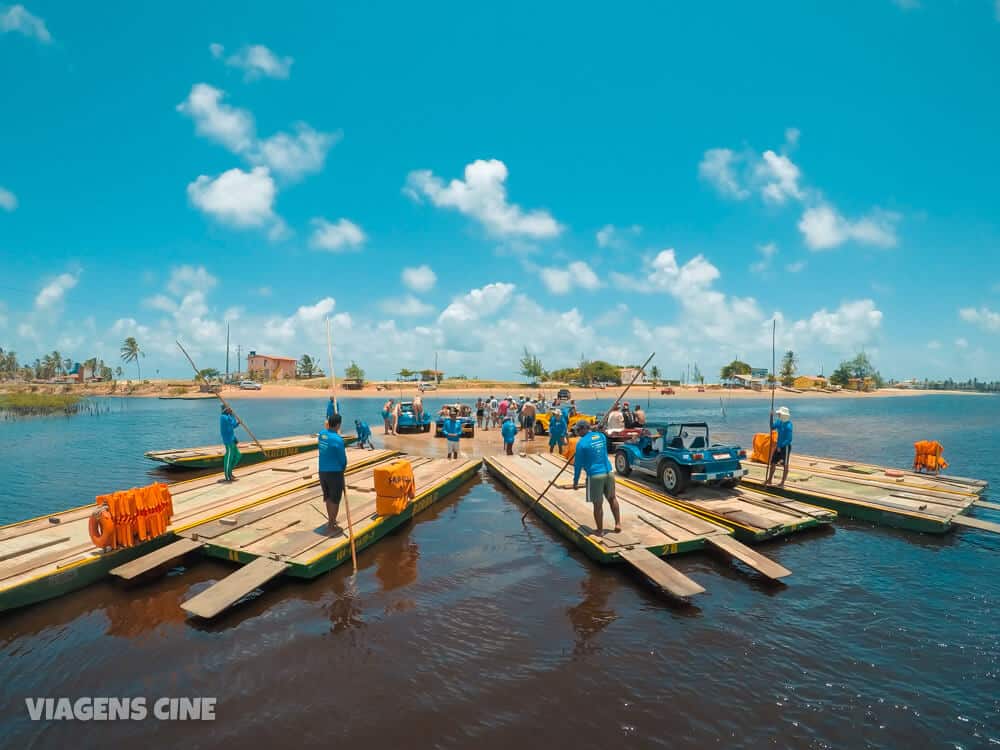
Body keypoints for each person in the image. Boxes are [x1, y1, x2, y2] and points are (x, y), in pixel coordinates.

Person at [572, 421, 622, 536]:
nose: (577, 432)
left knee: (597, 504)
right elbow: (597, 436)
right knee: (612, 498)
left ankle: (600, 530)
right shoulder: (601, 437)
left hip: (595, 475)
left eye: (578, 430)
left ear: (584, 429)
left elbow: (578, 465)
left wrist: (575, 482)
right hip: (609, 472)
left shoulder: (581, 444)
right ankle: (618, 524)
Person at [318, 413, 348, 531]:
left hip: (322, 471)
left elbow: (326, 431)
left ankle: (332, 520)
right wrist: (343, 468)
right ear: (338, 425)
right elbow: (343, 459)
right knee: (335, 499)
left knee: (328, 497)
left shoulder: (321, 435)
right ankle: (331, 524)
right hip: (334, 472)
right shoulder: (338, 440)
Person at [765, 406, 794, 488]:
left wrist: (780, 446)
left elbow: (789, 439)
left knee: (785, 464)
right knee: (773, 462)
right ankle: (769, 480)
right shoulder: (779, 422)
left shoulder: (789, 425)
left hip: (786, 447)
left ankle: (782, 483)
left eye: (779, 414)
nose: (778, 415)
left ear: (783, 415)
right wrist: (771, 417)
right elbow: (772, 427)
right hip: (778, 446)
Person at [220, 405, 241, 482]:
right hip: (228, 441)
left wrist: (235, 438)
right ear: (225, 410)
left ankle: (230, 472)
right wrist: (232, 415)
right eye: (228, 409)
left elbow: (233, 426)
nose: (230, 409)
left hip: (231, 439)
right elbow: (233, 423)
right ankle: (227, 476)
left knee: (237, 455)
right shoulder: (223, 417)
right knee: (229, 457)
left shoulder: (227, 416)